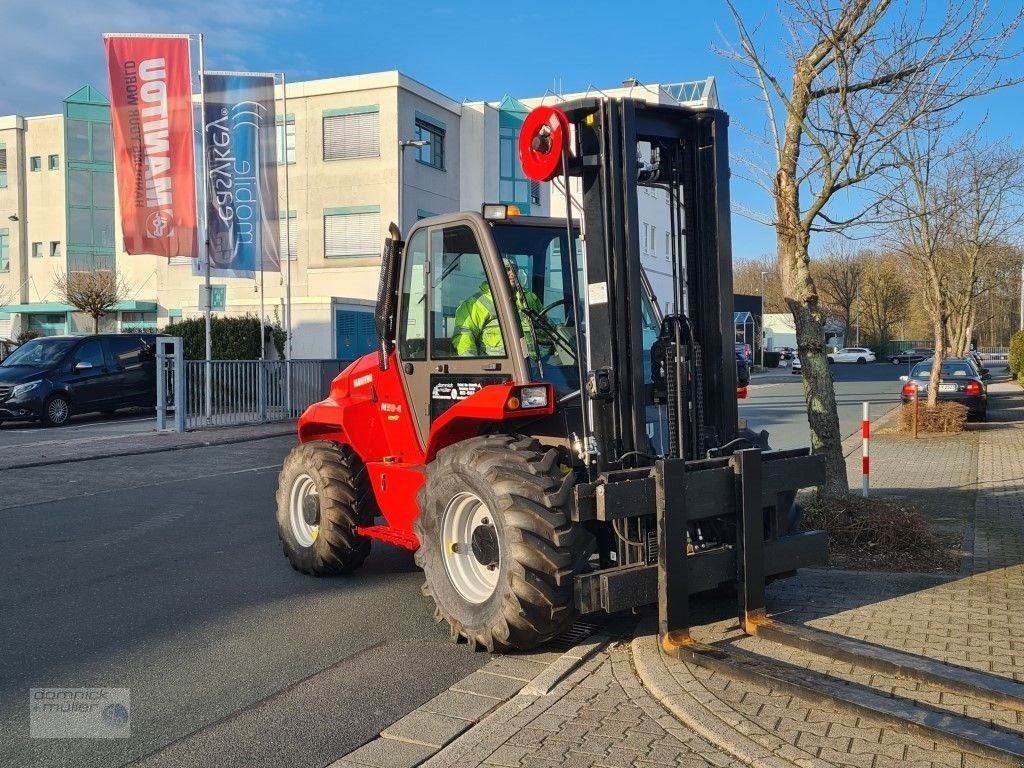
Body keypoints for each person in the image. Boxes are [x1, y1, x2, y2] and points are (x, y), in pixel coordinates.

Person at [452, 258, 554, 357]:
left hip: (537, 363)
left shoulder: (530, 298)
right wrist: (473, 364)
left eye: (514, 269)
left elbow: (547, 326)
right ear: (493, 272)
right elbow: (464, 336)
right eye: (507, 269)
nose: (512, 273)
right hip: (501, 365)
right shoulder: (475, 304)